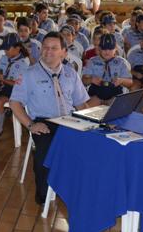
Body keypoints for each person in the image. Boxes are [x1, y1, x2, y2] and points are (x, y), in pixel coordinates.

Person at [9, 32, 90, 204]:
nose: (48, 51)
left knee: (92, 144)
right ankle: (43, 193)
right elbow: (15, 103)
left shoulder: (71, 74)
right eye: (45, 47)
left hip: (69, 120)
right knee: (45, 149)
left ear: (64, 52)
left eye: (54, 48)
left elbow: (82, 104)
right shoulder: (28, 74)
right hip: (43, 121)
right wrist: (31, 125)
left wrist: (92, 123)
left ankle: (81, 188)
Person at [82, 33, 132, 106]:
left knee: (117, 111)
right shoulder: (92, 61)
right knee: (86, 111)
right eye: (104, 48)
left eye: (110, 48)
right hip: (96, 94)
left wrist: (121, 80)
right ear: (99, 48)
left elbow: (130, 83)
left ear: (115, 48)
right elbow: (84, 80)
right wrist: (91, 80)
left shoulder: (121, 63)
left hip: (114, 94)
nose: (107, 51)